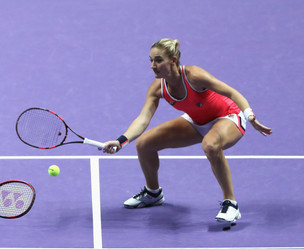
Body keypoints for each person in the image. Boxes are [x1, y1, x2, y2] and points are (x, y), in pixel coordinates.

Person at [101, 38, 272, 222]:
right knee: (144, 144)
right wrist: (121, 141)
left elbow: (232, 92)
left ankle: (231, 203)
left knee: (211, 145)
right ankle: (153, 193)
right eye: (150, 60)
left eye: (158, 60)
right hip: (197, 120)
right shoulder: (157, 88)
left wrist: (250, 116)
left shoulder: (194, 76)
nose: (152, 65)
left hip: (228, 117)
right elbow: (143, 119)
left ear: (173, 60)